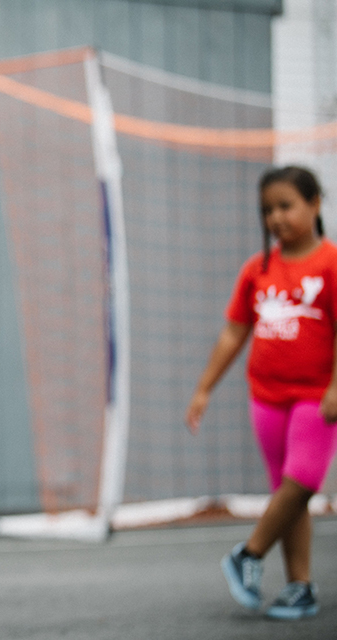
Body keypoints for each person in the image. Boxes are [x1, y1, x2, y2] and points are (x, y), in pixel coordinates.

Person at [186, 165, 337, 620]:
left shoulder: (330, 263)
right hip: (267, 397)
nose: (276, 217)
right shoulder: (258, 269)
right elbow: (234, 334)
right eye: (267, 209)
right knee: (284, 493)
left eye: (286, 206)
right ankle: (300, 587)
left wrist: (335, 385)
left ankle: (248, 554)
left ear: (314, 204)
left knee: (302, 481)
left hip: (316, 395)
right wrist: (203, 388)